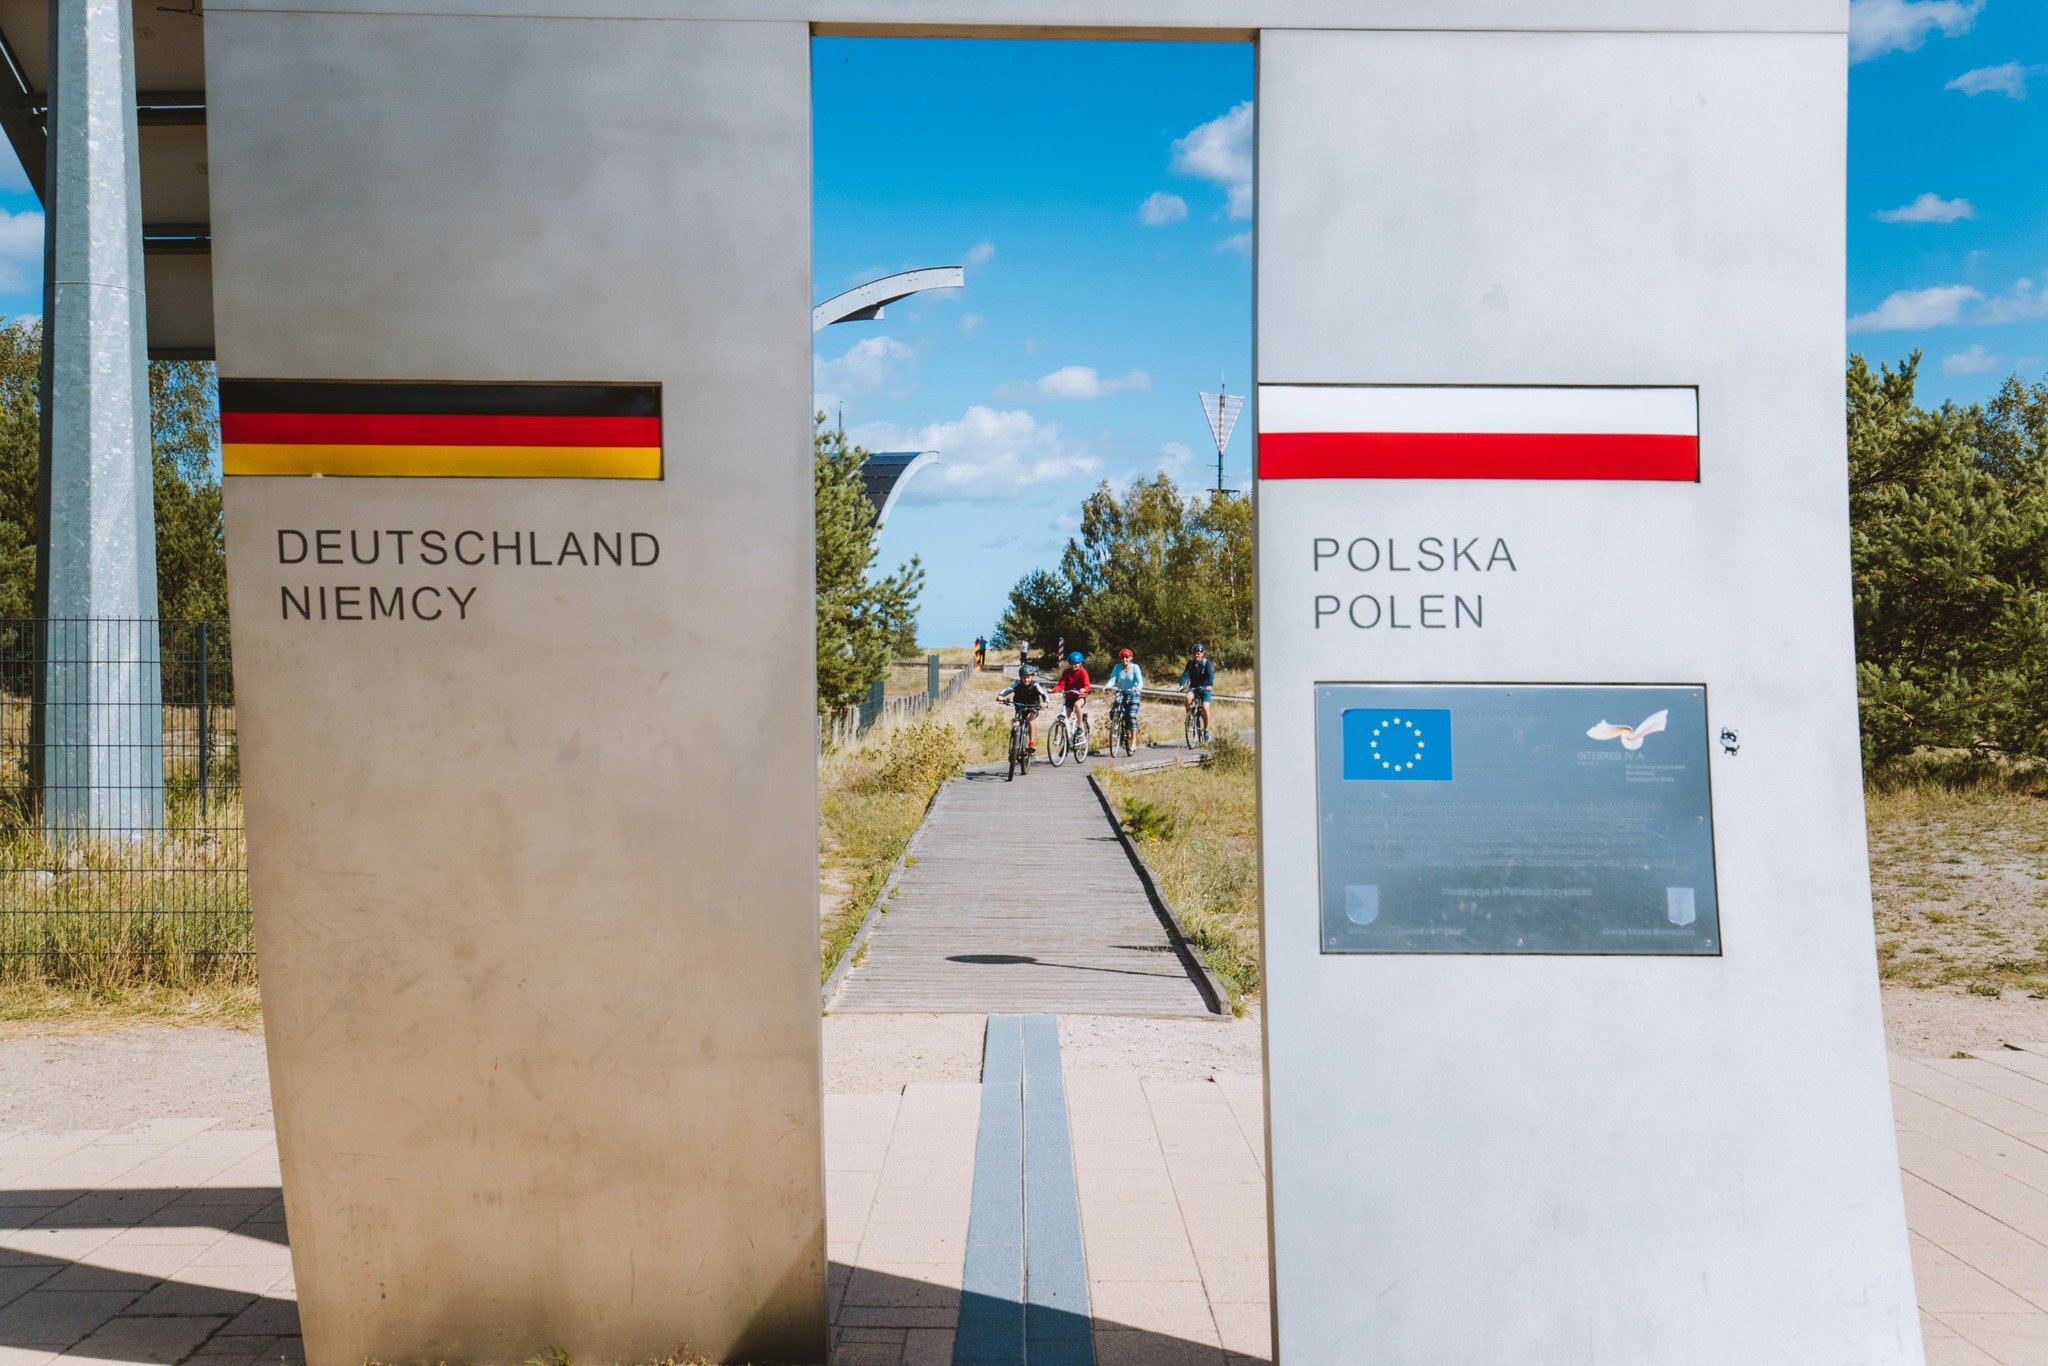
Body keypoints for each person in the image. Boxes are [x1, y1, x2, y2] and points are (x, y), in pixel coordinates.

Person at [997, 663, 1051, 752]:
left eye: (1028, 677)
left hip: (1033, 707)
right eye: (1024, 677)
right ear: (1020, 677)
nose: (1026, 679)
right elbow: (1008, 689)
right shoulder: (1017, 684)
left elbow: (1044, 694)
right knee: (1016, 725)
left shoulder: (1036, 685)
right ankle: (1014, 746)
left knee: (1030, 718)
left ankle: (1032, 743)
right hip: (1020, 707)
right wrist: (1000, 696)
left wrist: (1045, 702)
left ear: (1032, 677)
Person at [1179, 643, 1216, 742]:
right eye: (1195, 653)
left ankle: (1206, 730)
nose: (1196, 655)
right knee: (1187, 698)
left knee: (1205, 707)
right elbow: (1185, 675)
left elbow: (1210, 675)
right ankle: (1190, 717)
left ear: (1202, 654)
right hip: (1194, 687)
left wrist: (1209, 685)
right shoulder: (1190, 663)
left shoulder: (1206, 663)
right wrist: (1181, 684)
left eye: (1199, 653)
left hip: (1205, 688)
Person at [1107, 648, 1144, 737]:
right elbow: (1113, 679)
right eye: (1122, 657)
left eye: (1127, 657)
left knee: (1131, 715)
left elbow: (1140, 681)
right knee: (1115, 712)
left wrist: (1138, 688)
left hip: (1133, 693)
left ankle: (1133, 740)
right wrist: (1107, 686)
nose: (1124, 659)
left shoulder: (1135, 667)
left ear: (1131, 658)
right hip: (1121, 692)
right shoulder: (1117, 667)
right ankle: (1118, 728)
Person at [1057, 651, 1091, 734]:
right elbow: (1060, 685)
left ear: (1080, 663)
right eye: (1072, 663)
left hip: (1080, 696)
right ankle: (1066, 738)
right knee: (1065, 717)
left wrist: (1084, 689)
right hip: (1069, 697)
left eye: (1077, 663)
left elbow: (1087, 686)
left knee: (1077, 705)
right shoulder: (1066, 672)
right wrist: (1053, 690)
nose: (1074, 665)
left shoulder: (1083, 673)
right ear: (1069, 663)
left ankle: (1080, 727)